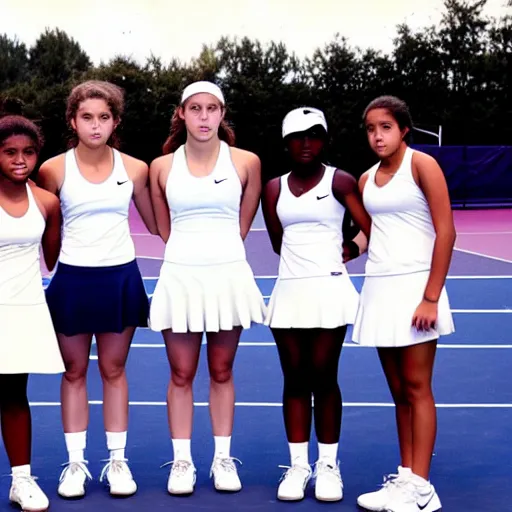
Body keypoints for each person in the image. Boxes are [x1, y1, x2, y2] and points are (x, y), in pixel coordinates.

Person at [36, 80, 158, 499]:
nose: (95, 125)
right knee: (74, 373)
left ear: (115, 121)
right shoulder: (52, 169)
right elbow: (42, 224)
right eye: (86, 117)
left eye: (104, 117)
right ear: (73, 120)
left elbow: (160, 226)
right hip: (72, 281)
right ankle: (75, 465)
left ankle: (117, 461)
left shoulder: (136, 169)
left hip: (120, 279)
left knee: (114, 371)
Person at [149, 81, 266, 495]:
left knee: (221, 370)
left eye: (211, 108)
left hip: (227, 275)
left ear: (222, 113)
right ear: (182, 113)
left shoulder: (247, 162)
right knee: (180, 373)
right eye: (195, 108)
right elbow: (165, 228)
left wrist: (218, 254)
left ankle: (221, 458)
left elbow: (243, 223)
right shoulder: (161, 167)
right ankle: (182, 461)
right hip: (180, 275)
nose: (203, 117)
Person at [261, 107, 371, 502]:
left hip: (330, 292)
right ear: (286, 142)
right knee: (294, 380)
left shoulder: (340, 180)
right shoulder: (272, 188)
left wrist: (352, 249)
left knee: (323, 377)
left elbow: (370, 228)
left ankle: (327, 465)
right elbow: (277, 241)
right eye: (298, 136)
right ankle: (297, 466)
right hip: (289, 292)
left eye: (314, 135)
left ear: (324, 140)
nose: (306, 143)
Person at [352, 95, 455, 512]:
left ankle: (423, 490)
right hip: (379, 288)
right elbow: (374, 233)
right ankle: (406, 478)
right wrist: (346, 248)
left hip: (417, 289)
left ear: (403, 130)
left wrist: (430, 297)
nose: (378, 136)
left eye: (386, 127)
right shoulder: (365, 179)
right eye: (371, 129)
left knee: (417, 387)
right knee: (398, 392)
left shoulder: (421, 165)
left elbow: (446, 233)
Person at [0, 114, 65, 511]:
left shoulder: (46, 201)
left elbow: (52, 257)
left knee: (12, 395)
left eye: (27, 152)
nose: (20, 159)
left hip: (22, 308)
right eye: (9, 152)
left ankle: (21, 481)